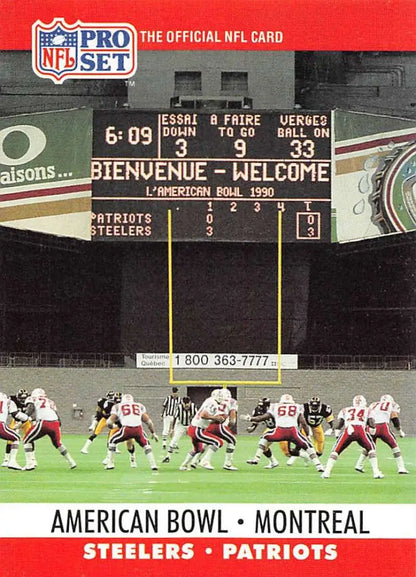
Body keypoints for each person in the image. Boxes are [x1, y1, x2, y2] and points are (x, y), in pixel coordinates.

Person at [242, 394, 324, 471]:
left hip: (279, 431)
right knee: (308, 445)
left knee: (264, 437)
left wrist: (249, 418)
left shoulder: (275, 406)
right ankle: (318, 465)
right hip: (293, 432)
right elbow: (304, 423)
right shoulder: (297, 407)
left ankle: (256, 458)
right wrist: (307, 435)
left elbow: (261, 418)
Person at [321, 395, 383, 479]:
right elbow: (371, 423)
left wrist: (337, 435)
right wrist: (372, 432)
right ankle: (376, 472)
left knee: (336, 450)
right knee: (371, 449)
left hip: (349, 430)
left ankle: (326, 472)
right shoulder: (368, 410)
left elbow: (339, 424)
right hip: (361, 430)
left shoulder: (345, 410)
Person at [23, 388, 76, 471]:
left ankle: (30, 464)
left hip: (44, 422)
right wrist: (59, 427)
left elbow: (30, 410)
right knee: (57, 443)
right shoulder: (50, 401)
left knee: (26, 440)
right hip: (55, 423)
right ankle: (71, 461)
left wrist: (22, 419)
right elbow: (57, 416)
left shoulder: (32, 398)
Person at [355, 394, 408, 474]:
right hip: (383, 427)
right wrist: (400, 431)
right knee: (394, 446)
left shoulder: (373, 404)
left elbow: (367, 417)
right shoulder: (392, 404)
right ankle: (401, 468)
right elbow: (394, 418)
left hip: (371, 426)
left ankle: (359, 464)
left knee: (369, 446)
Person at [104, 393, 158, 471]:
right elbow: (149, 422)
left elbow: (109, 422)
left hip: (126, 429)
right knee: (146, 445)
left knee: (112, 441)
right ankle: (153, 465)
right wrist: (153, 433)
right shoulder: (139, 406)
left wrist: (112, 427)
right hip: (138, 429)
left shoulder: (117, 406)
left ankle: (110, 464)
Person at [179, 388, 227, 471]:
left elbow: (206, 418)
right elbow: (203, 415)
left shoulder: (209, 400)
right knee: (218, 442)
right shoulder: (213, 403)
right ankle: (205, 461)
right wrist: (216, 418)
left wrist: (215, 419)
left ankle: (183, 465)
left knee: (197, 449)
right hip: (197, 430)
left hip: (193, 428)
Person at [286, 396, 335, 465]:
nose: (314, 407)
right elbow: (298, 418)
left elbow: (331, 420)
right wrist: (296, 427)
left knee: (320, 450)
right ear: (310, 404)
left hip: (317, 426)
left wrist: (331, 428)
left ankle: (308, 458)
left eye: (316, 406)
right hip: (306, 425)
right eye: (313, 406)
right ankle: (294, 457)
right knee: (301, 442)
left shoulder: (325, 409)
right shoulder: (304, 408)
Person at [205, 388, 238, 470]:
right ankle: (228, 463)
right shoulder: (232, 401)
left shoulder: (213, 400)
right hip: (220, 424)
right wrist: (229, 426)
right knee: (232, 440)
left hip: (208, 423)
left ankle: (195, 460)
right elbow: (232, 420)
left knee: (207, 441)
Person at [1, 388, 32, 467]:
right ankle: (11, 461)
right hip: (5, 424)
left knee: (29, 437)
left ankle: (32, 460)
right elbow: (16, 414)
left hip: (22, 422)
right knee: (16, 437)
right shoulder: (9, 401)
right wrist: (26, 418)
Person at [162, 396, 197, 463]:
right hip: (181, 425)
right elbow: (175, 418)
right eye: (185, 403)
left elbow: (197, 417)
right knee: (174, 440)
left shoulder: (193, 407)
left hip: (191, 425)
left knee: (196, 441)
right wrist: (172, 429)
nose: (186, 405)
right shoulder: (179, 407)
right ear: (182, 403)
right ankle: (168, 457)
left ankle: (196, 458)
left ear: (190, 402)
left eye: (187, 403)